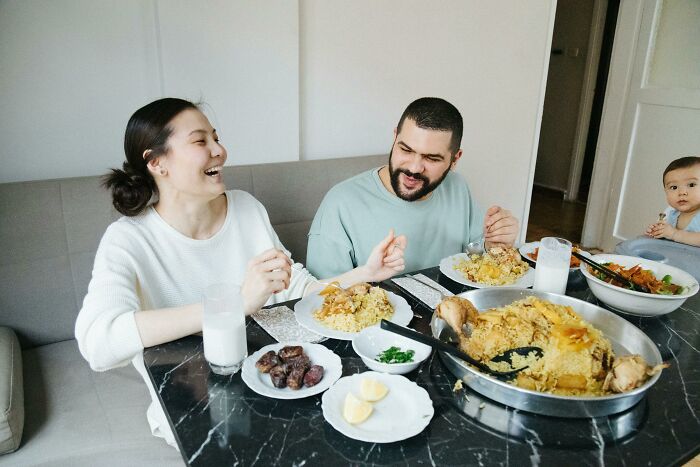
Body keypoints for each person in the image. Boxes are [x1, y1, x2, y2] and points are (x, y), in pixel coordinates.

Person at [74, 98, 406, 447]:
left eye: (216, 138)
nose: (220, 150)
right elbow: (98, 341)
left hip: (275, 384)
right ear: (157, 162)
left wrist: (365, 272)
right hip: (199, 405)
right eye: (201, 141)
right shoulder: (128, 239)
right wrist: (234, 305)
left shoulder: (247, 209)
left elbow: (300, 290)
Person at [306, 97, 519, 278]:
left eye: (432, 158)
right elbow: (321, 297)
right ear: (394, 138)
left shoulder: (458, 187)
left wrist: (495, 242)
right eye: (406, 150)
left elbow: (476, 256)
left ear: (455, 160)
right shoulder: (341, 203)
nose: (414, 168)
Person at [645, 156, 700, 247]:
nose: (682, 192)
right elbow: (668, 238)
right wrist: (658, 232)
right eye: (674, 187)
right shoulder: (671, 215)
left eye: (691, 185)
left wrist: (674, 234)